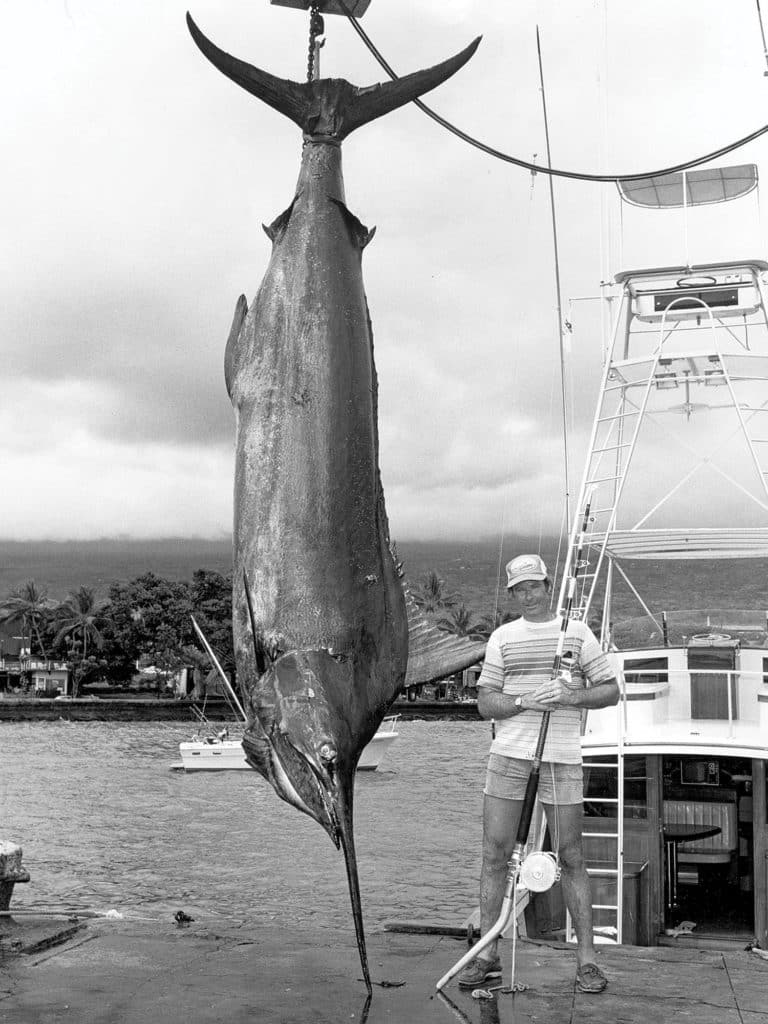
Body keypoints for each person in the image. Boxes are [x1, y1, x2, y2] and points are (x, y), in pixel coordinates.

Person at [458, 553, 619, 995]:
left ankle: (587, 960)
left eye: (534, 586)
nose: (528, 595)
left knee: (571, 856)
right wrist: (522, 703)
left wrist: (571, 695)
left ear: (548, 586)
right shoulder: (502, 638)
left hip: (562, 758)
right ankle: (486, 955)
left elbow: (610, 691)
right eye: (519, 589)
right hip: (508, 757)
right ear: (512, 594)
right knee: (495, 854)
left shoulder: (577, 634)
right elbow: (485, 702)